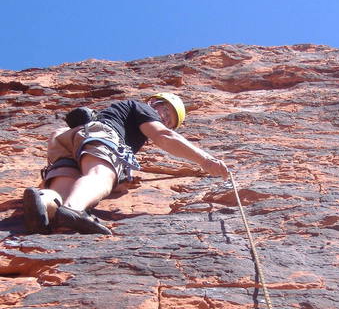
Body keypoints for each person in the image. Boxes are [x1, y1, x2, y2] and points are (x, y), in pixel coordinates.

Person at [23, 93, 229, 235]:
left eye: (169, 120)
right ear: (153, 103)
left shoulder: (119, 114)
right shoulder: (141, 108)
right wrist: (206, 161)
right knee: (100, 176)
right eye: (165, 111)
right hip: (100, 135)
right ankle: (75, 209)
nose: (164, 118)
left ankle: (45, 204)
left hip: (66, 138)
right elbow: (163, 136)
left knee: (66, 190)